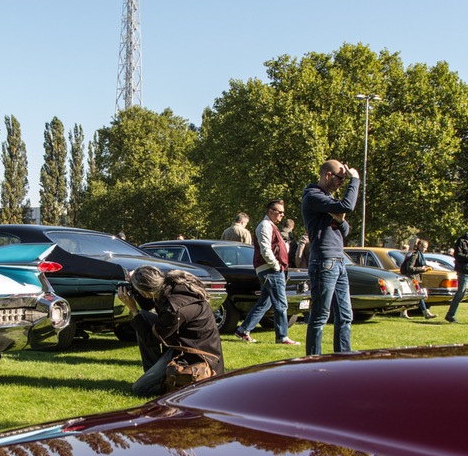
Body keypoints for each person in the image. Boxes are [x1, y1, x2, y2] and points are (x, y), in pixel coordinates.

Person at [118, 265, 224, 396]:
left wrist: (133, 310)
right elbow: (148, 304)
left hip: (195, 356)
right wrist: (134, 281)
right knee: (144, 317)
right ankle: (154, 373)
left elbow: (150, 339)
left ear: (146, 292)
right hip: (186, 343)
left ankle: (164, 380)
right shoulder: (170, 283)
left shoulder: (174, 309)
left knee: (140, 389)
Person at [301, 158, 360, 355]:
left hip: (338, 260)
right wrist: (355, 180)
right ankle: (313, 360)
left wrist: (340, 218)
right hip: (324, 261)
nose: (342, 183)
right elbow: (348, 206)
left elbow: (345, 228)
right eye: (340, 179)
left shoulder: (327, 200)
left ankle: (343, 358)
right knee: (319, 316)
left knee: (345, 315)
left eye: (345, 180)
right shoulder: (313, 196)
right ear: (328, 175)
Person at [235, 199, 297, 345]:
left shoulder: (270, 226)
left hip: (270, 269)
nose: (282, 215)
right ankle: (282, 336)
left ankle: (243, 330)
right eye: (280, 212)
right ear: (270, 211)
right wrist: (276, 265)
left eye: (283, 212)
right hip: (270, 270)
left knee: (264, 302)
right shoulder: (265, 226)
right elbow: (265, 249)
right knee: (281, 304)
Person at [399, 236, 437, 318]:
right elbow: (409, 268)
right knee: (420, 295)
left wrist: (426, 268)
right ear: (419, 246)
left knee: (409, 296)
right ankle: (426, 313)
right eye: (424, 247)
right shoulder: (415, 254)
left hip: (415, 277)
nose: (425, 249)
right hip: (411, 277)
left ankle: (403, 312)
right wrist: (422, 269)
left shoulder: (419, 254)